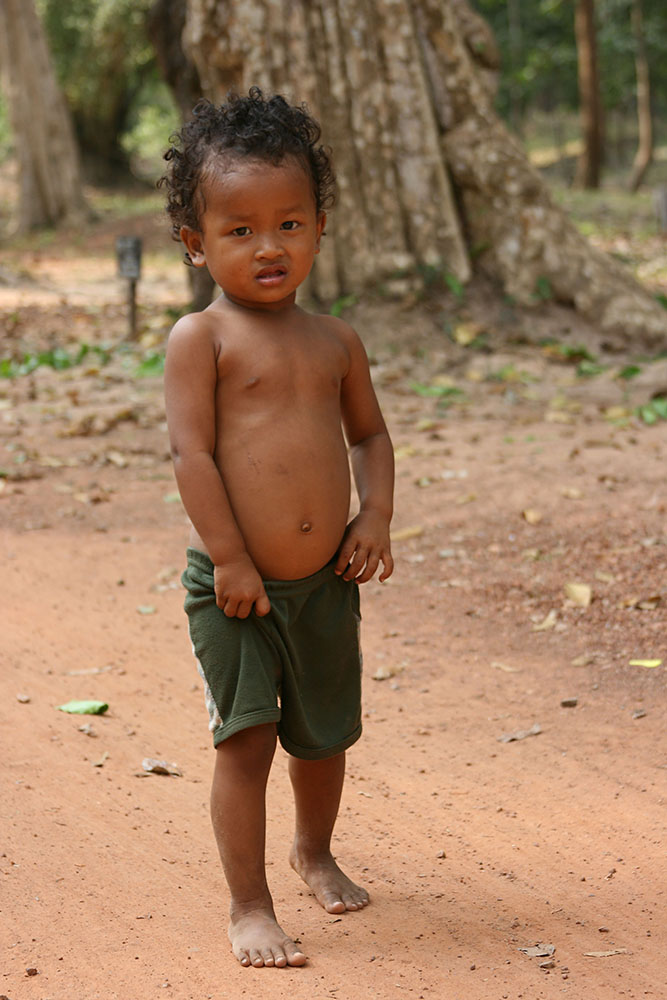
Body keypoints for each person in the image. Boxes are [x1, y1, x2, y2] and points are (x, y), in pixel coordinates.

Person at [160, 88, 394, 970]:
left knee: (324, 736)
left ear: (319, 227)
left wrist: (372, 514)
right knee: (248, 738)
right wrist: (230, 557)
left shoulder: (335, 340)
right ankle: (249, 905)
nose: (268, 247)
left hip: (325, 580)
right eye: (240, 230)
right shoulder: (201, 339)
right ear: (196, 243)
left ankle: (314, 850)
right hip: (237, 585)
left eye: (288, 224)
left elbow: (370, 436)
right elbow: (193, 457)